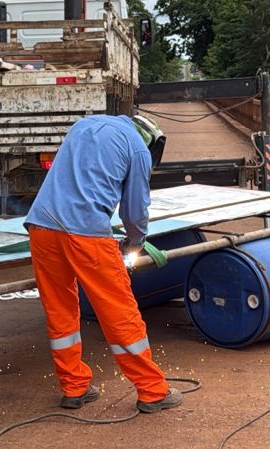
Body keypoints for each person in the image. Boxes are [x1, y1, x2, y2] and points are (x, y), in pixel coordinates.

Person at [24, 113, 182, 413]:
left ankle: (74, 387)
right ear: (151, 140)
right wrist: (135, 242)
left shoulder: (83, 125)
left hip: (41, 227)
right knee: (118, 310)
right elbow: (135, 210)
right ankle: (152, 391)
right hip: (86, 234)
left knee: (60, 310)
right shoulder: (137, 148)